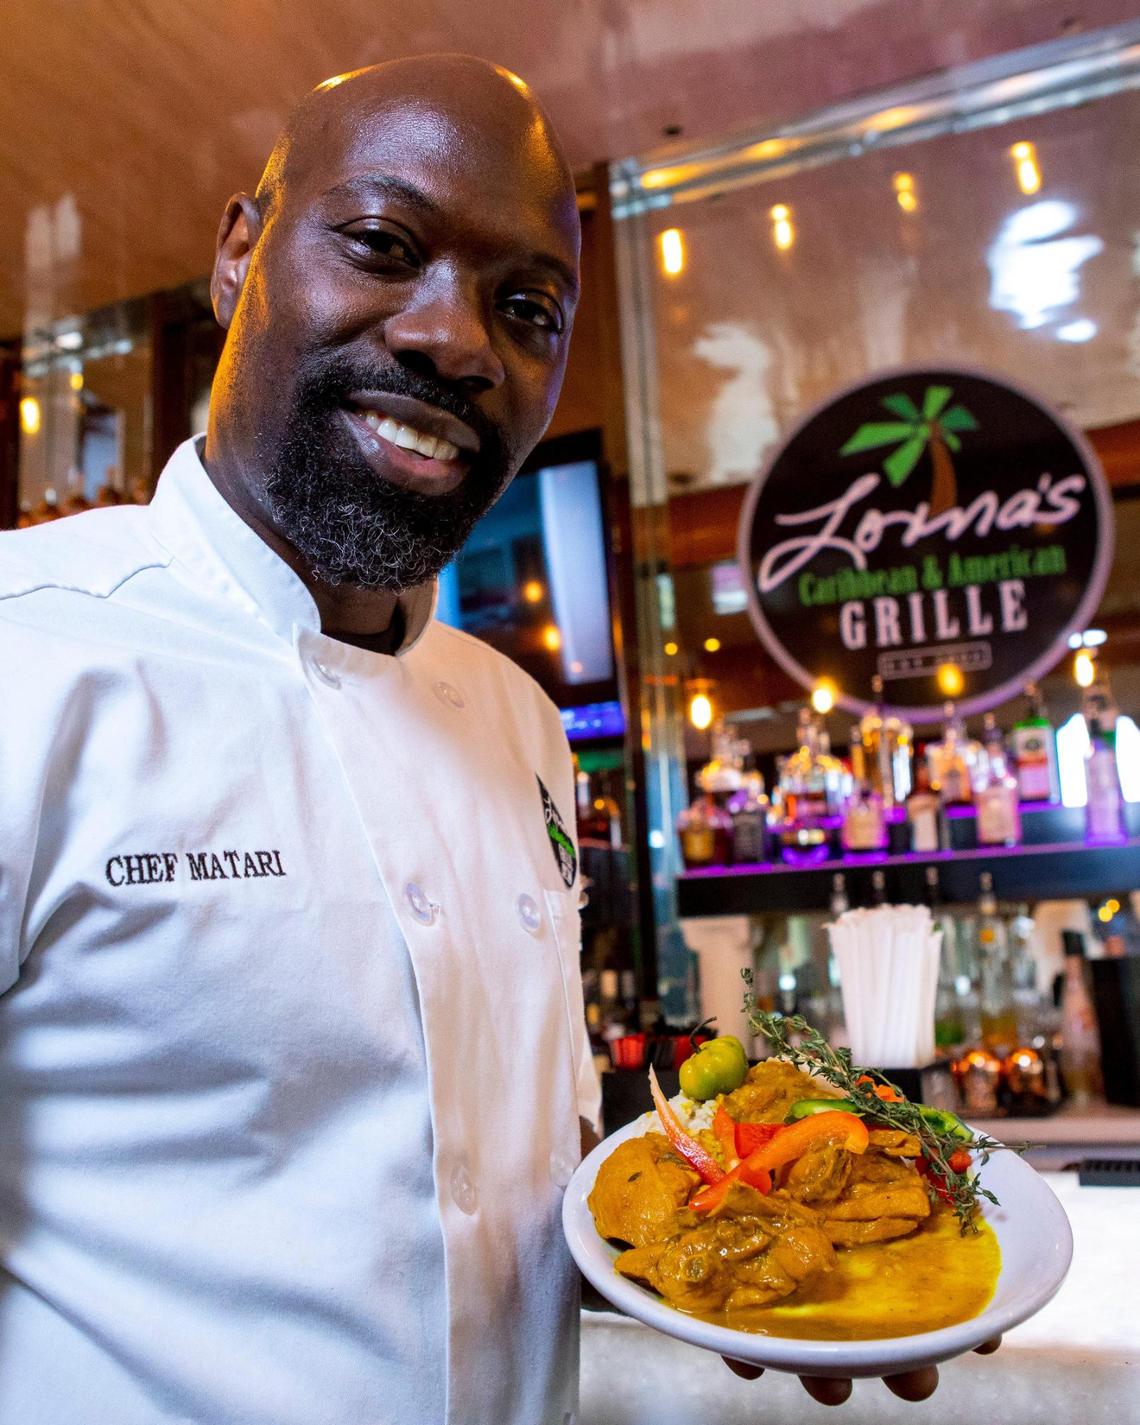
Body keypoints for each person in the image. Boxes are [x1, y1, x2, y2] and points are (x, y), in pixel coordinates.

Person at [0, 55, 992, 1423]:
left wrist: (726, 1255)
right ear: (240, 254)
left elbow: (504, 1166)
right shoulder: (27, 657)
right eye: (384, 246)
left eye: (527, 309)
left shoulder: (524, 719)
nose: (457, 339)